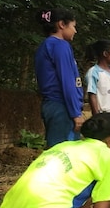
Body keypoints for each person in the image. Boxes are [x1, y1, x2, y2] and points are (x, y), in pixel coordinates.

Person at [34, 9, 84, 148]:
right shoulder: (60, 45)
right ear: (62, 24)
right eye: (73, 26)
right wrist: (75, 112)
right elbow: (67, 81)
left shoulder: (46, 46)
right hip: (62, 107)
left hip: (54, 105)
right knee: (63, 154)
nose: (75, 31)